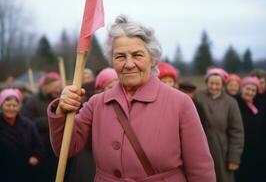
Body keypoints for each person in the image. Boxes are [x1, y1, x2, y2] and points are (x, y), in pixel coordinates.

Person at [47, 15, 215, 181]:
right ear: (112, 61)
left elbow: (200, 168)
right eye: (120, 56)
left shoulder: (180, 103)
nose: (128, 64)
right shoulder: (97, 103)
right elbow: (65, 149)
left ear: (153, 59)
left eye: (137, 55)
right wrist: (62, 111)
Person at [193, 67, 244, 182]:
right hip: (201, 147)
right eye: (211, 83)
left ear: (223, 85)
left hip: (223, 151)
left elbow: (236, 132)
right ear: (206, 83)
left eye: (217, 84)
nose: (214, 87)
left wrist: (234, 158)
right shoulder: (198, 96)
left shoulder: (231, 103)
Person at [22, 71, 61, 182]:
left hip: (58, 147)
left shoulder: (59, 99)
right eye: (55, 87)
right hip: (41, 148)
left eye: (59, 87)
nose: (58, 90)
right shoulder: (32, 101)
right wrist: (52, 120)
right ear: (45, 86)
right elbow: (28, 122)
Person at [0, 89, 42, 182]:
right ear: (1, 106)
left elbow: (38, 145)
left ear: (19, 107)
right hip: (4, 173)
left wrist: (35, 156)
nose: (11, 108)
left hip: (26, 172)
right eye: (8, 105)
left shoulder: (28, 125)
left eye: (15, 105)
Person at [235, 76, 266, 182]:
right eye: (248, 89)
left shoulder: (260, 105)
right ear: (242, 88)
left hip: (259, 152)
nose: (250, 92)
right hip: (242, 151)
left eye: (253, 90)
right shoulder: (235, 103)